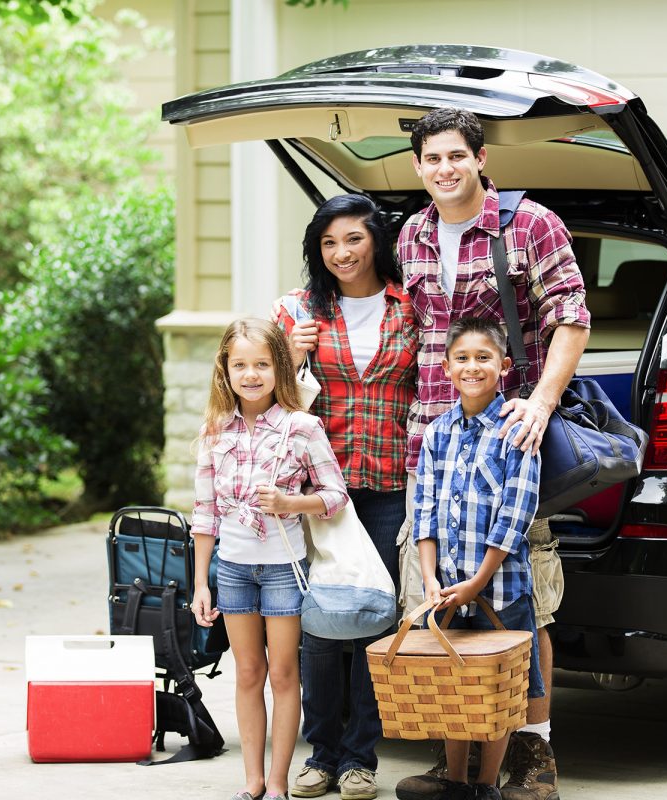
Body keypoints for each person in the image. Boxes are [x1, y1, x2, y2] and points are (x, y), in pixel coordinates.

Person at [396, 107, 590, 800]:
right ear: (417, 166)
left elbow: (572, 314)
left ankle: (533, 758)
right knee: (441, 603)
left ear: (481, 159)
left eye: (456, 156)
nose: (445, 169)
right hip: (433, 444)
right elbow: (406, 328)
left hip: (508, 445)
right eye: (432, 159)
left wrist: (538, 402)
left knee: (522, 605)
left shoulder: (528, 224)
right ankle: (460, 763)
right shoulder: (414, 234)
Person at [272, 194, 418, 800]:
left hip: (387, 486)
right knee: (320, 626)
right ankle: (321, 754)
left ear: (376, 242)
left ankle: (360, 757)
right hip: (315, 493)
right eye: (329, 243)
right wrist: (293, 357)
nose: (342, 254)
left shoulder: (413, 308)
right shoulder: (295, 310)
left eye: (354, 240)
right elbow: (259, 401)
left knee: (371, 621)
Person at [190, 318, 350, 800]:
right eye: (240, 365)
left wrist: (290, 504)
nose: (251, 374)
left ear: (280, 367)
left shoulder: (302, 427)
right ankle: (252, 780)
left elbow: (335, 495)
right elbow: (204, 515)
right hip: (234, 569)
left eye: (261, 364)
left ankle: (278, 782)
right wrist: (202, 583)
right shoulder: (214, 431)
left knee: (283, 674)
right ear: (226, 370)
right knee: (247, 672)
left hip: (285, 568)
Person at [414, 315, 544, 800]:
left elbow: (514, 515)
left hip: (501, 590)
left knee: (497, 693)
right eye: (462, 358)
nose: (472, 367)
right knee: (453, 688)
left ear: (504, 366)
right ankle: (456, 781)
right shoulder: (436, 433)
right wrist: (430, 580)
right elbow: (424, 511)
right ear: (446, 368)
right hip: (446, 590)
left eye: (483, 358)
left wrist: (478, 581)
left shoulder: (517, 430)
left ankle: (486, 785)